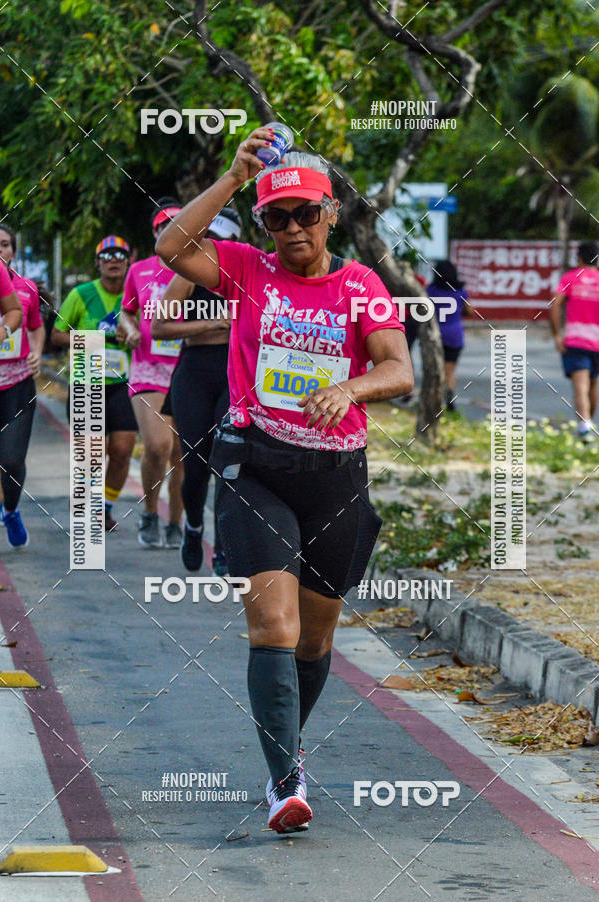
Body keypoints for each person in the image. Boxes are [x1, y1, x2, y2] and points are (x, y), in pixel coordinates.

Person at [156, 131, 414, 833]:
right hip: (255, 467)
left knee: (315, 638)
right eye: (278, 219)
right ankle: (284, 780)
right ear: (263, 227)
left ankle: (287, 742)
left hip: (334, 478)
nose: (293, 229)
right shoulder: (246, 270)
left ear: (331, 214)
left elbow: (400, 369)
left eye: (305, 214)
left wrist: (352, 388)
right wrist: (235, 178)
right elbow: (171, 248)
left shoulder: (360, 285)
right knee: (273, 623)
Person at [151, 207, 242, 574]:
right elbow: (159, 327)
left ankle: (223, 547)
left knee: (229, 461)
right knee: (196, 465)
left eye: (221, 241)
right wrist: (214, 323)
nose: (213, 247)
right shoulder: (189, 276)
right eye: (208, 239)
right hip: (194, 374)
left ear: (235, 241)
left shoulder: (246, 273)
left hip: (234, 373)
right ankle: (192, 527)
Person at [51, 235, 137, 532]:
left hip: (124, 383)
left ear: (129, 261)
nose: (113, 261)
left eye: (119, 255)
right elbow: (57, 335)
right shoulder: (82, 293)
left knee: (124, 449)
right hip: (86, 384)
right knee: (93, 452)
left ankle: (105, 507)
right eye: (107, 256)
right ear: (98, 263)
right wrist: (93, 339)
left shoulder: (136, 294)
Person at [118, 198, 184, 548]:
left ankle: (176, 521)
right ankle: (148, 512)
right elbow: (126, 311)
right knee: (158, 445)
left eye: (179, 223)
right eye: (164, 226)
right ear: (156, 232)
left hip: (187, 370)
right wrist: (129, 328)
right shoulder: (139, 270)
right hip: (148, 369)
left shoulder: (200, 268)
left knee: (182, 455)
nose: (172, 230)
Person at [0, 230, 33, 546]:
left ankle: (10, 510)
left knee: (10, 461)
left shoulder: (24, 287)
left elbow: (20, 315)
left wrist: (2, 332)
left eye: (5, 244)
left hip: (15, 383)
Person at [551, 241, 599, 442]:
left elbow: (554, 306)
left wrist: (557, 334)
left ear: (578, 258)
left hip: (576, 341)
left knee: (580, 386)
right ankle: (587, 424)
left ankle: (584, 425)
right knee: (593, 385)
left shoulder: (570, 278)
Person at [427, 260, 470, 412]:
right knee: (450, 370)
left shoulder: (431, 290)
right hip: (455, 335)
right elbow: (470, 310)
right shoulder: (460, 291)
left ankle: (435, 401)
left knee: (436, 370)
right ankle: (450, 395)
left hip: (436, 335)